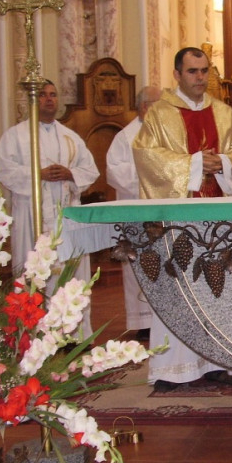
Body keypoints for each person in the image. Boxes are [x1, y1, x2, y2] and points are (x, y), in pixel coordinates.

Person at [133, 47, 232, 392]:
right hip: (178, 219)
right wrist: (196, 164)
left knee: (219, 286)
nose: (200, 78)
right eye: (192, 71)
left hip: (218, 216)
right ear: (177, 74)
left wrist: (223, 163)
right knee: (179, 285)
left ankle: (220, 362)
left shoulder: (223, 112)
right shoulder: (160, 113)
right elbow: (146, 156)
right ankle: (175, 368)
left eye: (204, 71)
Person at [0, 80, 100, 337]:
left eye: (53, 94)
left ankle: (74, 334)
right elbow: (5, 171)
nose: (49, 99)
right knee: (35, 273)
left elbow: (91, 170)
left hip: (66, 216)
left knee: (71, 275)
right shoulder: (15, 136)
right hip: (32, 214)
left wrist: (70, 173)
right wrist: (38, 174)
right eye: (43, 95)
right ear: (32, 99)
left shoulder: (70, 137)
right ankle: (34, 335)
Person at [105, 86, 160, 341]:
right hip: (137, 209)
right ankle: (143, 321)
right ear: (144, 106)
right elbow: (114, 171)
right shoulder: (125, 137)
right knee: (136, 264)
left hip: (162, 208)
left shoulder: (166, 132)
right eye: (158, 103)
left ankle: (165, 316)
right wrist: (147, 173)